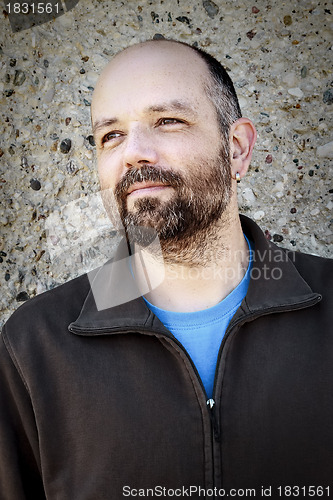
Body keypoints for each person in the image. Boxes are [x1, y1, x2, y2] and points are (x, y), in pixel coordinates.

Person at [0, 39, 332, 500]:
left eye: (167, 121)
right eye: (111, 135)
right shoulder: (33, 347)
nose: (134, 152)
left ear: (236, 149)